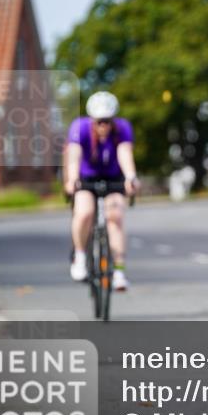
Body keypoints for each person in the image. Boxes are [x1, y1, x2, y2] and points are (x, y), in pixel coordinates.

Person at [63, 91, 138, 291]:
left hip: (113, 177)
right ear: (92, 119)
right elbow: (74, 155)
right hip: (86, 178)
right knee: (84, 213)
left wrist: (131, 177)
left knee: (115, 217)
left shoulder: (122, 128)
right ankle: (80, 255)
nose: (103, 126)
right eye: (99, 122)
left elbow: (124, 153)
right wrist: (72, 179)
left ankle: (119, 273)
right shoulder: (79, 128)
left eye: (107, 121)